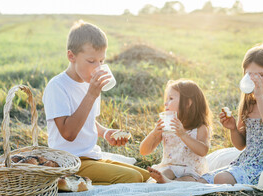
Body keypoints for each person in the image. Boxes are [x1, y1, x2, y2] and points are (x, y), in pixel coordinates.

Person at [42, 20, 149, 185]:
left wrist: (105, 132)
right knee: (133, 178)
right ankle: (68, 182)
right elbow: (68, 133)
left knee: (146, 176)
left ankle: (83, 181)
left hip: (91, 156)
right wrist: (91, 95)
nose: (97, 67)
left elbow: (89, 120)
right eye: (91, 61)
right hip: (70, 162)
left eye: (101, 61)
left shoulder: (89, 83)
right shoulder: (57, 87)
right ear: (71, 56)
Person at [201, 43, 263, 185]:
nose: (255, 80)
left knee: (221, 179)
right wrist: (232, 128)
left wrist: (260, 97)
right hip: (247, 162)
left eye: (261, 75)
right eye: (249, 75)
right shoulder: (248, 104)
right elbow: (241, 145)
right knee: (204, 179)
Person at [140, 79, 213, 183]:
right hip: (169, 168)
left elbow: (203, 151)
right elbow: (144, 151)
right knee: (166, 173)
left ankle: (170, 183)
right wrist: (153, 133)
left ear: (188, 103)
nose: (165, 103)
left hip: (191, 171)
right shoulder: (166, 126)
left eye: (170, 98)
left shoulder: (200, 127)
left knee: (188, 180)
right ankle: (165, 180)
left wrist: (182, 134)